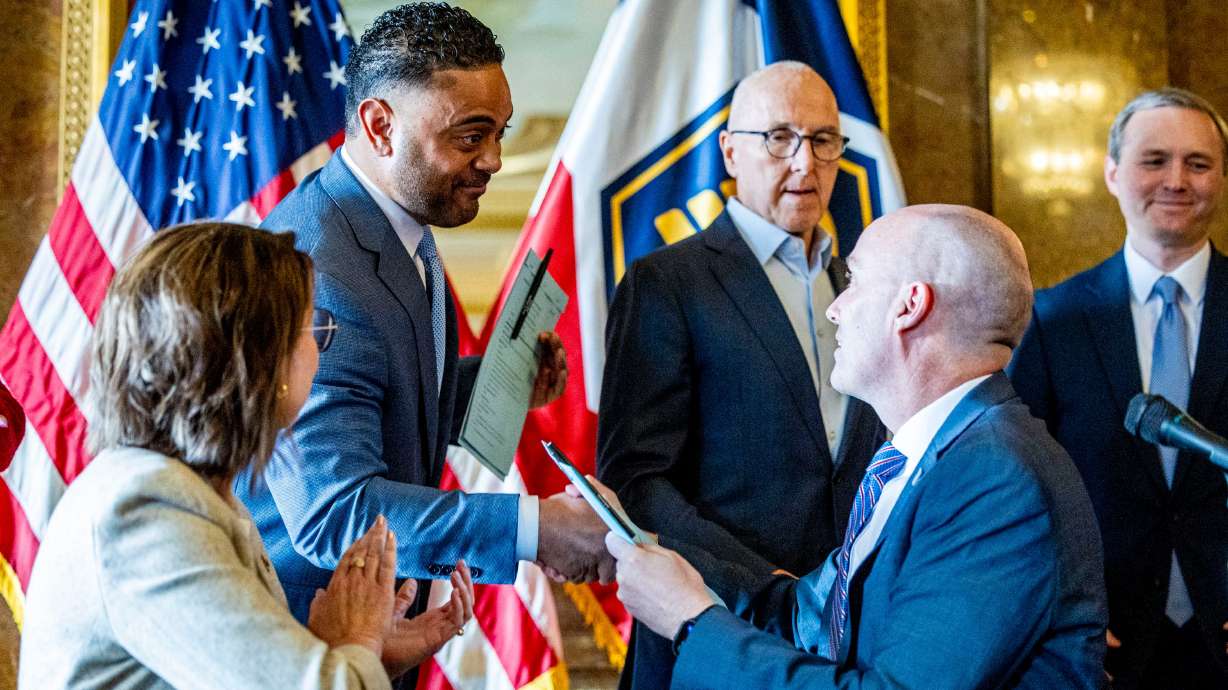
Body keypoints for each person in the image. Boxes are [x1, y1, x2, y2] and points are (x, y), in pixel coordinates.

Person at [601, 205, 1108, 688]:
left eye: (854, 281)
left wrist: (692, 624)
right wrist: (654, 550)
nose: (835, 308)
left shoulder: (994, 477)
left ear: (910, 306)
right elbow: (808, 617)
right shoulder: (928, 456)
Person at [236, 1, 612, 635]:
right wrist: (533, 527)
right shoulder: (319, 274)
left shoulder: (400, 214)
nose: (494, 158)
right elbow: (337, 512)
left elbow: (376, 390)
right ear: (380, 126)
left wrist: (490, 384)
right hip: (302, 645)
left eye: (500, 131)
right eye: (470, 135)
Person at [18, 223, 475, 689]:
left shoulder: (194, 491)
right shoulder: (146, 510)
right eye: (312, 327)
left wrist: (357, 656)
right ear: (260, 361)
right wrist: (357, 644)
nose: (319, 347)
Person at [596, 60, 885, 689]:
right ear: (730, 152)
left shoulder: (867, 280)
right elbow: (636, 479)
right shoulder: (668, 283)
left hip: (850, 639)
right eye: (779, 138)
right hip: (712, 625)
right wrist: (763, 586)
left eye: (824, 140)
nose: (806, 163)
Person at [1009, 87, 1228, 688]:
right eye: (1154, 160)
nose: (1177, 180)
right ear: (1112, 173)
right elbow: (1021, 478)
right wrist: (1055, 603)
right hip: (1101, 635)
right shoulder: (1054, 319)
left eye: (1199, 163)